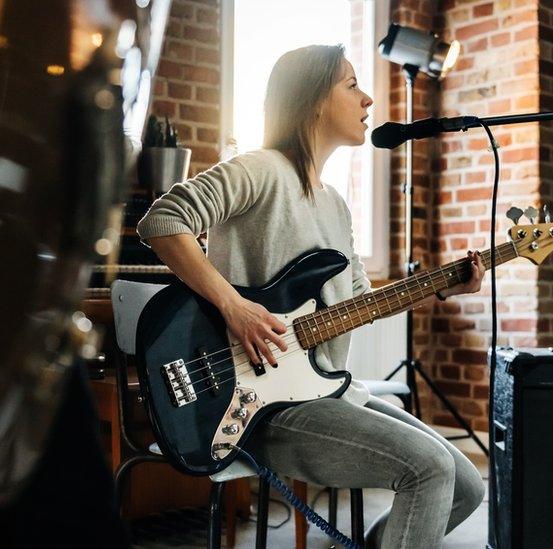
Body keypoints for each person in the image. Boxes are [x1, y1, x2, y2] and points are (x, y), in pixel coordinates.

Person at [137, 44, 485, 548]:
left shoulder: (337, 206)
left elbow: (363, 301)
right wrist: (233, 306)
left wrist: (442, 285)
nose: (368, 99)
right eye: (351, 85)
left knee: (468, 487)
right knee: (429, 466)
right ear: (314, 99)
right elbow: (162, 221)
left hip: (324, 389)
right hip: (261, 404)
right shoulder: (259, 169)